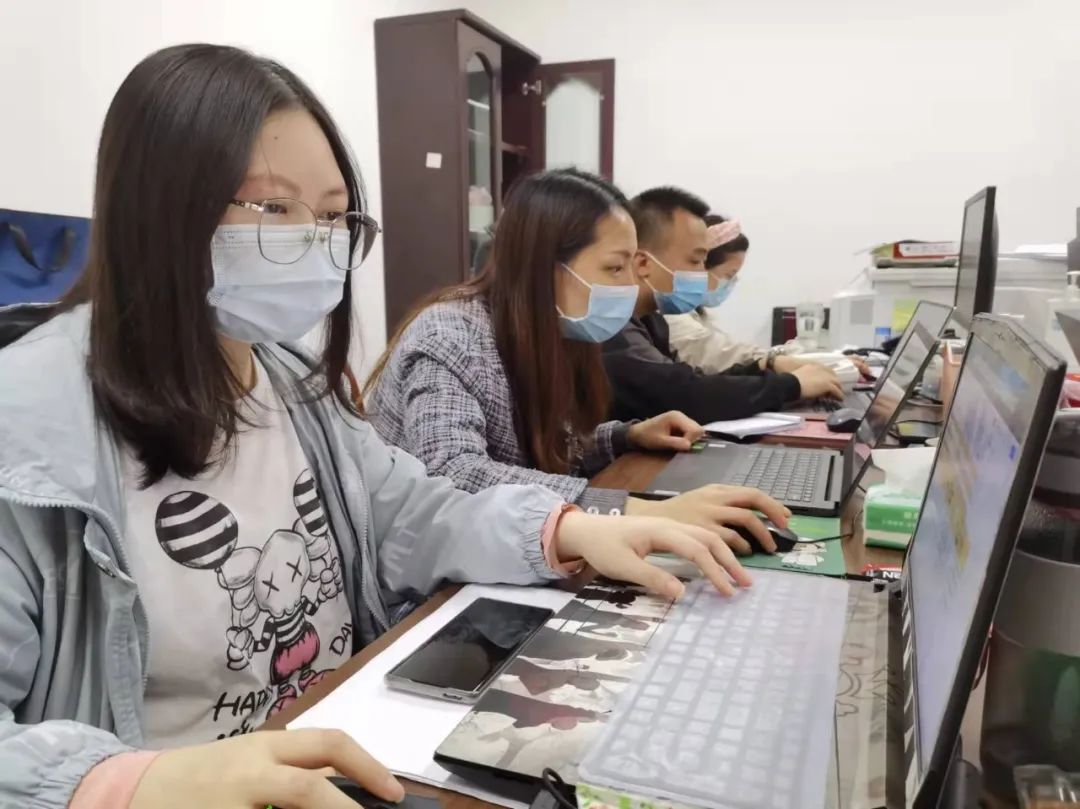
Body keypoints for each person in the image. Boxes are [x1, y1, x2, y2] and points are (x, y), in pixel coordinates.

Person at [0, 46, 754, 809]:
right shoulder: (28, 429)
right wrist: (124, 784)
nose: (317, 239)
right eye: (275, 208)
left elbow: (416, 511)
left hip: (352, 752)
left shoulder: (288, 379)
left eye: (333, 215)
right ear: (158, 210)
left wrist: (570, 529)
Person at [365, 168, 788, 553]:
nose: (632, 284)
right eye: (615, 268)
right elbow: (454, 473)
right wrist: (630, 509)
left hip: (513, 548)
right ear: (545, 266)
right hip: (425, 572)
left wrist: (624, 437)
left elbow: (544, 446)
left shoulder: (555, 328)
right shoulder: (449, 335)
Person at [602, 187, 843, 423]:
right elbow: (683, 394)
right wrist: (792, 385)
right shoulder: (611, 327)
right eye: (695, 261)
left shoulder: (650, 320)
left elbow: (693, 379)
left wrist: (766, 365)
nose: (702, 274)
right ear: (643, 263)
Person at [666, 213, 872, 376]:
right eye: (729, 275)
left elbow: (733, 351)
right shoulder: (670, 314)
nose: (732, 283)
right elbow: (720, 355)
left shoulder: (698, 314)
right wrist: (793, 361)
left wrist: (819, 358)